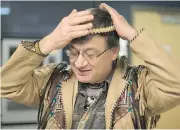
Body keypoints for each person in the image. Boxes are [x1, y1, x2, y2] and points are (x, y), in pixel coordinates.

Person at [1, 3, 180, 129]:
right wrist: (49, 42)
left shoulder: (138, 87)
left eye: (91, 54)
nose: (79, 63)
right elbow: (6, 84)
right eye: (74, 52)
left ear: (114, 52)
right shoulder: (53, 81)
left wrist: (133, 36)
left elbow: (176, 87)